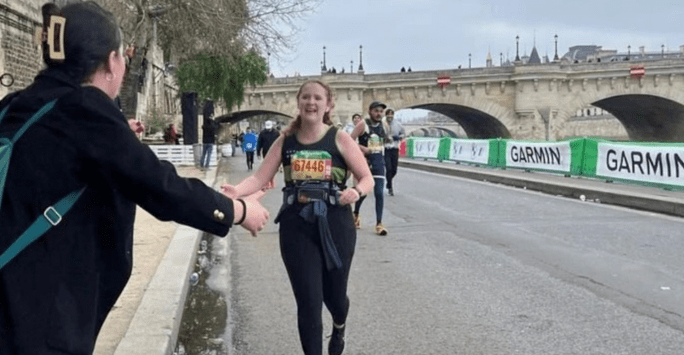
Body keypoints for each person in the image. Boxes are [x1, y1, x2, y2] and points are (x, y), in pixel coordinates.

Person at [0, 3, 269, 354]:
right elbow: (159, 184)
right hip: (41, 312)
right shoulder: (87, 108)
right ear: (113, 61)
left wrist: (114, 135)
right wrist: (236, 211)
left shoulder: (14, 105)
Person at [221, 80, 373, 355]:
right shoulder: (286, 140)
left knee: (335, 298)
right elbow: (259, 177)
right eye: (305, 97)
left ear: (328, 104)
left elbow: (367, 178)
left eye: (317, 98)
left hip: (336, 224)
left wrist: (356, 191)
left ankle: (339, 326)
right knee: (309, 303)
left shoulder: (339, 138)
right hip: (296, 226)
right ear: (299, 102)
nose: (311, 103)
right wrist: (234, 192)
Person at [350, 101, 391, 235]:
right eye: (376, 111)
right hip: (365, 162)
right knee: (363, 192)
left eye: (381, 111)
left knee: (379, 193)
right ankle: (356, 213)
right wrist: (363, 149)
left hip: (379, 161)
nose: (379, 114)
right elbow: (349, 140)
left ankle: (379, 223)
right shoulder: (363, 124)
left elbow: (384, 140)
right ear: (370, 111)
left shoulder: (383, 124)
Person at [383, 108, 405, 196]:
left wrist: (399, 137)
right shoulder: (382, 124)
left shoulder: (398, 124)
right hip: (386, 148)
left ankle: (388, 181)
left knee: (394, 170)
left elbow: (403, 133)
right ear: (386, 115)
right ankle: (390, 187)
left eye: (391, 114)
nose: (390, 116)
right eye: (388, 114)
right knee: (388, 168)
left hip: (395, 148)